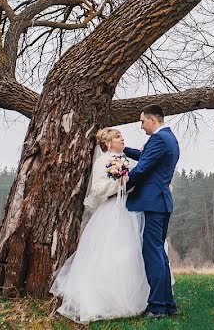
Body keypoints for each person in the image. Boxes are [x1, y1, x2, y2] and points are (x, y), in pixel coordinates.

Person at [50, 127, 149, 324]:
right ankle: (101, 300)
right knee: (108, 253)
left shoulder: (125, 161)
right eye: (118, 137)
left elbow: (133, 181)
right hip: (110, 210)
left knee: (127, 253)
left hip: (127, 210)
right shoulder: (102, 161)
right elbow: (97, 189)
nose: (122, 139)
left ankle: (126, 300)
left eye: (122, 136)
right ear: (108, 143)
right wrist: (119, 183)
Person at [123, 104, 180, 318]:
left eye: (142, 121)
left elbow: (143, 168)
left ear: (152, 120)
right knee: (159, 254)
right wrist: (123, 150)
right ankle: (168, 304)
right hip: (161, 202)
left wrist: (121, 187)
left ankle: (156, 307)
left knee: (152, 254)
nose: (141, 126)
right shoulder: (169, 139)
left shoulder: (159, 139)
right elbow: (145, 157)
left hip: (154, 203)